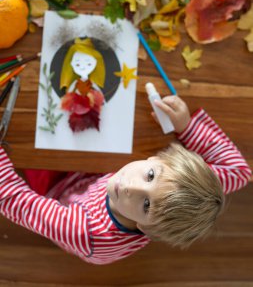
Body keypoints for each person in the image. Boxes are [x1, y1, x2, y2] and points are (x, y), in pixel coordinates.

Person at [0, 96, 251, 265]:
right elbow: (240, 172)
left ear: (145, 229)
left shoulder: (82, 231)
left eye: (146, 205)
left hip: (60, 196)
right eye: (150, 176)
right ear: (160, 158)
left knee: (29, 145)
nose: (131, 186)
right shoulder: (185, 186)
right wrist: (187, 126)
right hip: (90, 178)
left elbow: (13, 198)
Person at [60, 37, 105, 132]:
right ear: (71, 64)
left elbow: (97, 89)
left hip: (90, 100)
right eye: (77, 64)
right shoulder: (76, 82)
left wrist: (100, 96)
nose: (83, 67)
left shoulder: (91, 82)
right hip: (77, 101)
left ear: (95, 62)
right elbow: (70, 90)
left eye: (88, 64)